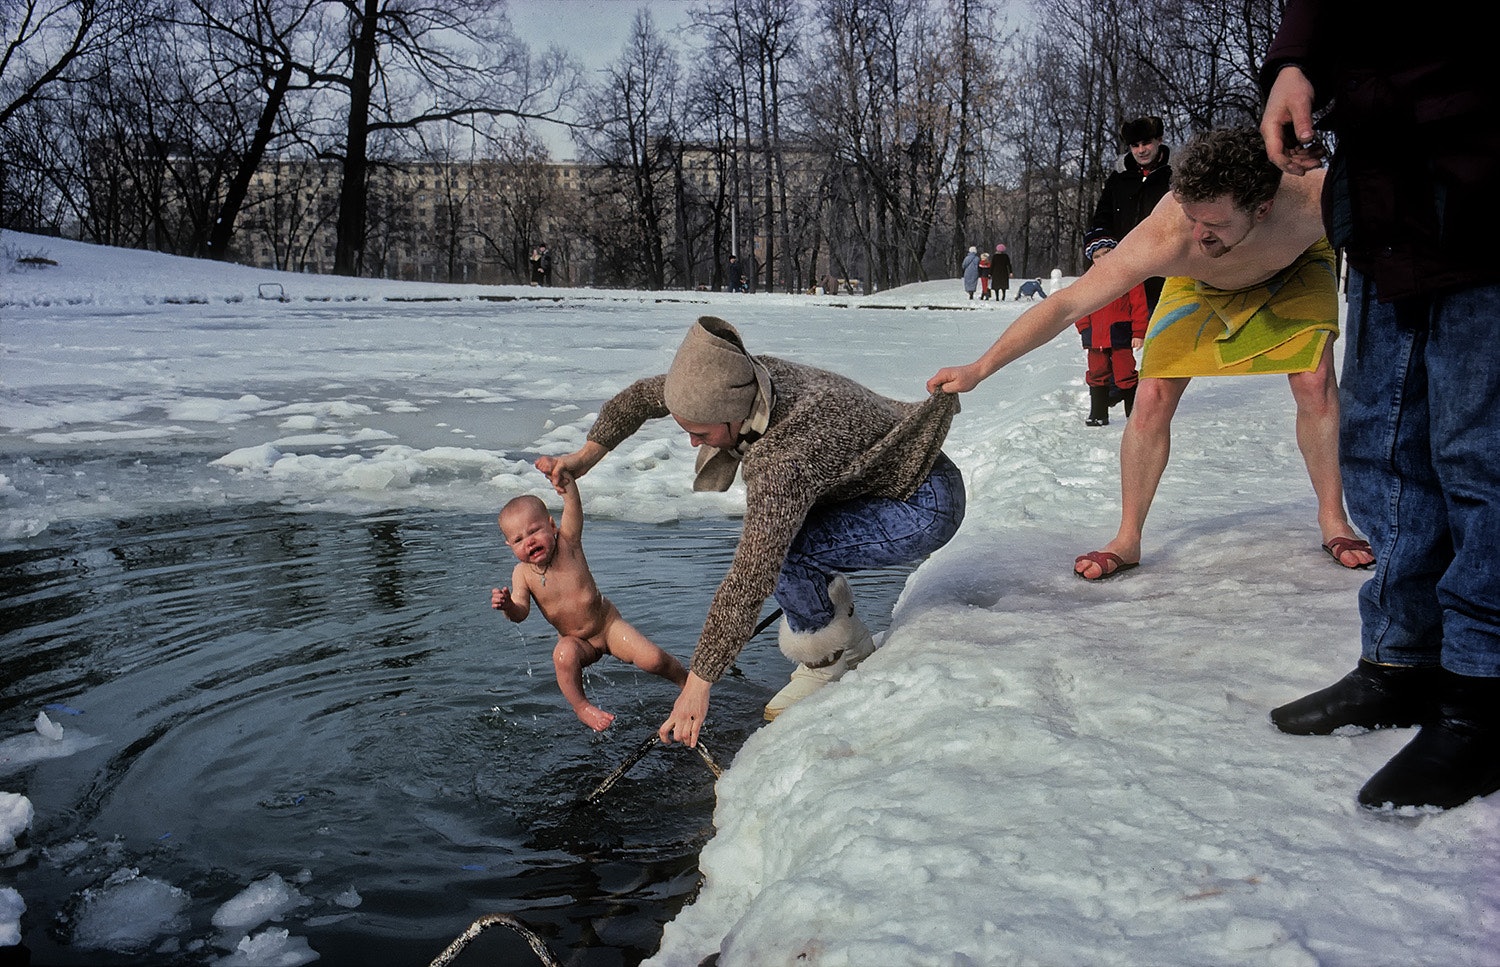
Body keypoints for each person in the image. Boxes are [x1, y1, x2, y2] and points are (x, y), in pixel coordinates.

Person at [927, 126, 1373, 581]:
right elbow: (1066, 304)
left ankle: (1333, 519)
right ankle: (1127, 537)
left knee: (1314, 379)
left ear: (1263, 208)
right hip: (1200, 284)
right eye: (1192, 216)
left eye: (1215, 224)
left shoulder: (1315, 198)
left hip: (1294, 268)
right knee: (1152, 395)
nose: (1199, 232)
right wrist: (979, 368)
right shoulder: (1171, 234)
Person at [1258, 1, 1500, 811]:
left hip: (1480, 172)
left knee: (1479, 452)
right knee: (1383, 440)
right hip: (1382, 183)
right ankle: (1401, 660)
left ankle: (1480, 696)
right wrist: (1295, 63)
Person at [542, 316, 965, 746]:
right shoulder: (741, 375)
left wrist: (698, 683)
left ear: (730, 416)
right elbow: (639, 398)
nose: (692, 443)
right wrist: (585, 456)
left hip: (920, 504)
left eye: (700, 434)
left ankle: (833, 659)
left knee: (785, 554)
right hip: (892, 474)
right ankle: (843, 636)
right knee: (785, 545)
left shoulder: (782, 460)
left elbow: (751, 575)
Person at [492, 471, 687, 731]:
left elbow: (573, 506)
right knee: (562, 655)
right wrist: (508, 606)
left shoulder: (568, 543)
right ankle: (582, 707)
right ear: (509, 545)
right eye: (519, 539)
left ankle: (687, 684)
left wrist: (565, 481)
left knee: (653, 660)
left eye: (534, 531)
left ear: (552, 525)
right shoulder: (522, 574)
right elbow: (521, 612)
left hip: (607, 628)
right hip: (579, 642)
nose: (529, 541)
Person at [1088, 116, 1173, 313]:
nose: (1141, 150)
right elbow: (1102, 214)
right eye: (1135, 145)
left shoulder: (1174, 174)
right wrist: (1101, 244)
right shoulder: (1119, 178)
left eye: (1146, 143)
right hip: (1126, 273)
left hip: (1164, 272)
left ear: (1159, 140)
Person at [1073, 234, 1147, 427]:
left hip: (1120, 333)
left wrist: (1139, 333)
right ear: (1092, 260)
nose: (1103, 258)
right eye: (1097, 256)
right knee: (1097, 372)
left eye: (1107, 252)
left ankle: (1133, 414)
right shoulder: (1088, 281)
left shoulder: (1129, 277)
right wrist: (1084, 328)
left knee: (1125, 372)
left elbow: (1139, 306)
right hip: (1095, 336)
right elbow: (1079, 306)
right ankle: (1098, 413)